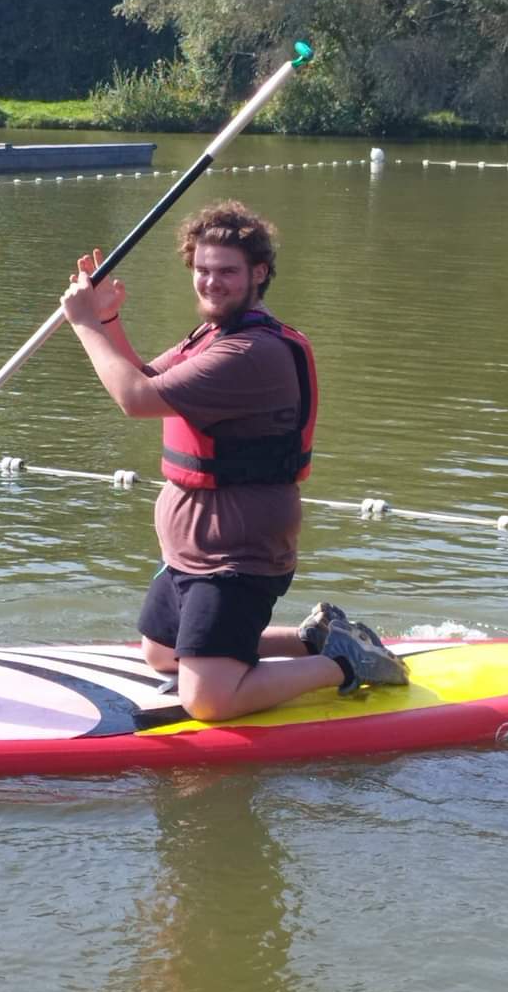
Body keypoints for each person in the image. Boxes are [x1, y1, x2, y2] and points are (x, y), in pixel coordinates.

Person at [60, 199, 409, 723]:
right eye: (202, 269)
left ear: (259, 273)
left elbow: (134, 398)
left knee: (208, 700)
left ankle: (344, 662)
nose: (211, 282)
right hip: (191, 550)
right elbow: (147, 379)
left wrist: (84, 323)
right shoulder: (212, 337)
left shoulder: (250, 353)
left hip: (235, 555)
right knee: (161, 653)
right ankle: (314, 637)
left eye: (227, 271)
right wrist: (108, 318)